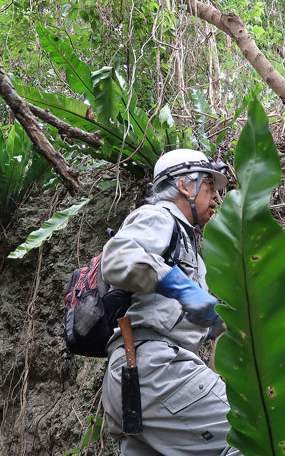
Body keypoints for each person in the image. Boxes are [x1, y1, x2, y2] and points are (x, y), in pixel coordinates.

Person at [101, 148, 239, 456]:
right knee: (255, 433)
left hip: (132, 380)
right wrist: (182, 288)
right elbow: (117, 257)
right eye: (209, 187)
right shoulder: (158, 216)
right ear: (185, 187)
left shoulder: (185, 240)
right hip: (158, 370)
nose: (216, 198)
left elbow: (178, 313)